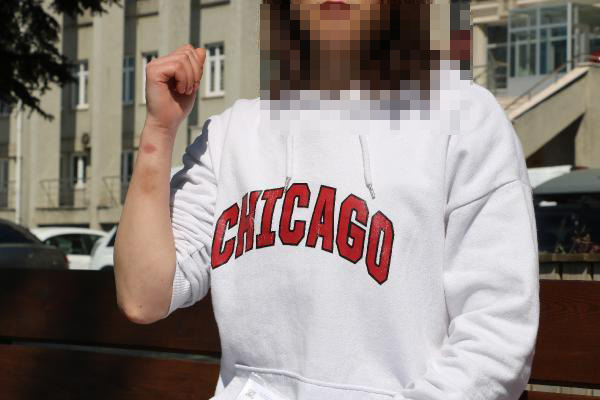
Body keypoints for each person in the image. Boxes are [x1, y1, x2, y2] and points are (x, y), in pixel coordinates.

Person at [114, 1, 540, 399]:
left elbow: (497, 336)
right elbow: (144, 297)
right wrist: (159, 132)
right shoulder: (232, 134)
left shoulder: (462, 117)